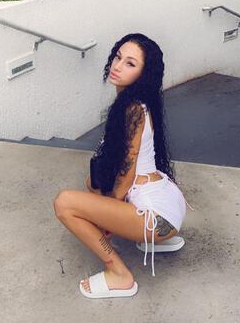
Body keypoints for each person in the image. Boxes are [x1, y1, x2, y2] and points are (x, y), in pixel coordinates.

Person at [53, 33, 194, 299]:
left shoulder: (133, 110)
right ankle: (151, 241)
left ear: (143, 74)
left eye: (130, 64)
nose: (117, 66)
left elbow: (127, 172)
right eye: (118, 57)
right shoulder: (136, 104)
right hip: (165, 204)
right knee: (92, 183)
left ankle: (119, 274)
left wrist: (105, 221)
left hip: (157, 218)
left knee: (65, 203)